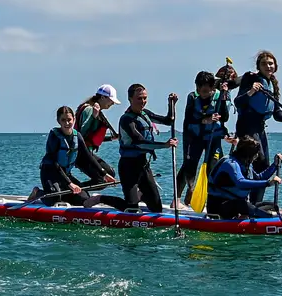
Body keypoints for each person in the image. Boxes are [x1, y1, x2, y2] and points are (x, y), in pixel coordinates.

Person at [114, 84, 178, 212]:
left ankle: (142, 195)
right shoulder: (126, 120)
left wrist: (171, 103)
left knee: (156, 208)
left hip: (143, 165)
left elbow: (169, 121)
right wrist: (164, 145)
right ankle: (100, 199)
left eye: (145, 98)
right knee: (131, 208)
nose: (143, 102)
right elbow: (139, 142)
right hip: (128, 167)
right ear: (130, 99)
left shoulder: (145, 114)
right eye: (139, 99)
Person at [175, 70, 231, 207]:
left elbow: (225, 117)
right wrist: (204, 120)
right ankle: (177, 199)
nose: (202, 93)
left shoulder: (221, 95)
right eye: (199, 90)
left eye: (206, 91)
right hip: (195, 137)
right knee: (189, 167)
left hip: (213, 138)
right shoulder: (192, 97)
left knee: (214, 169)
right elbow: (188, 119)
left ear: (213, 88)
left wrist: (224, 98)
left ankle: (213, 201)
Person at [234, 51, 282, 164]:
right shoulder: (250, 79)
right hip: (246, 126)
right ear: (259, 67)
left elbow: (277, 114)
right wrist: (251, 91)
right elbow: (238, 102)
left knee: (264, 162)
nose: (268, 66)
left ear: (275, 66)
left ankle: (262, 180)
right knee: (257, 160)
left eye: (270, 63)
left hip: (260, 128)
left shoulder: (272, 85)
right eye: (264, 64)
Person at [34, 106, 106, 205]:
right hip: (50, 174)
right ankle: (37, 192)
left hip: (65, 175)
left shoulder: (77, 136)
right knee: (54, 199)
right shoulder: (54, 136)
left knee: (84, 199)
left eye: (69, 120)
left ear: (74, 119)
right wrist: (70, 183)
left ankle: (63, 194)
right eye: (63, 120)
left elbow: (88, 157)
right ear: (59, 121)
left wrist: (104, 174)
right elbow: (55, 164)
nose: (67, 123)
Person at [205, 136, 282, 219]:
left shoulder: (245, 164)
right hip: (218, 207)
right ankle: (273, 216)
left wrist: (274, 165)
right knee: (242, 204)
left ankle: (275, 213)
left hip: (236, 205)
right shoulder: (230, 163)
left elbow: (259, 178)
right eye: (255, 154)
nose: (256, 156)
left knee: (273, 206)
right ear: (247, 154)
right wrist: (268, 183)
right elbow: (240, 183)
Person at [71, 85, 119, 186]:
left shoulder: (95, 110)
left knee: (110, 174)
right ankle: (74, 192)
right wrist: (93, 117)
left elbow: (91, 138)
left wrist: (111, 138)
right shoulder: (89, 110)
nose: (113, 103)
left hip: (86, 152)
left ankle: (76, 191)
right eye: (111, 100)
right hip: (81, 154)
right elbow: (82, 134)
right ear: (103, 98)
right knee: (102, 180)